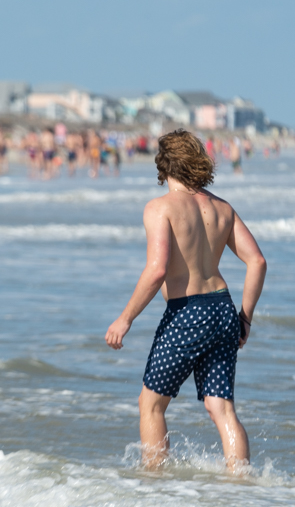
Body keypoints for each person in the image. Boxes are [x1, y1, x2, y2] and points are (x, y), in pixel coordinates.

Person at [105, 130, 267, 473]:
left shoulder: (160, 208)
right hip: (223, 310)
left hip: (187, 313)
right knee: (221, 408)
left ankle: (155, 482)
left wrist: (125, 319)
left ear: (163, 166)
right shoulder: (222, 208)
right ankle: (242, 484)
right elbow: (257, 261)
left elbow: (156, 270)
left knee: (150, 405)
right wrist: (245, 319)